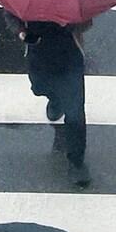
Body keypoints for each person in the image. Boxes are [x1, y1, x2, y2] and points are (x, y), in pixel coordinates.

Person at [19, 17, 91, 188]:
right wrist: (21, 32)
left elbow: (87, 22)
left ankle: (76, 162)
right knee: (39, 87)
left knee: (75, 114)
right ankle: (56, 99)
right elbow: (11, 15)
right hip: (38, 54)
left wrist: (73, 24)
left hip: (69, 57)